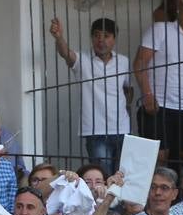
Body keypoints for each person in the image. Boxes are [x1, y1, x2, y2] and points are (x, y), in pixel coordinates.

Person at [50, 17, 131, 172]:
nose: (101, 40)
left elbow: (127, 89)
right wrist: (59, 37)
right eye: (96, 35)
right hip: (95, 131)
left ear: (114, 38)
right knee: (102, 177)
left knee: (122, 178)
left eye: (106, 35)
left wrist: (124, 107)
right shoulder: (83, 60)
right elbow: (65, 53)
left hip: (122, 128)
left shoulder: (123, 61)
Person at [134, 0, 183, 165]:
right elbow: (140, 63)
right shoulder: (161, 29)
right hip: (158, 105)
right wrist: (147, 95)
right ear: (180, 9)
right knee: (158, 160)